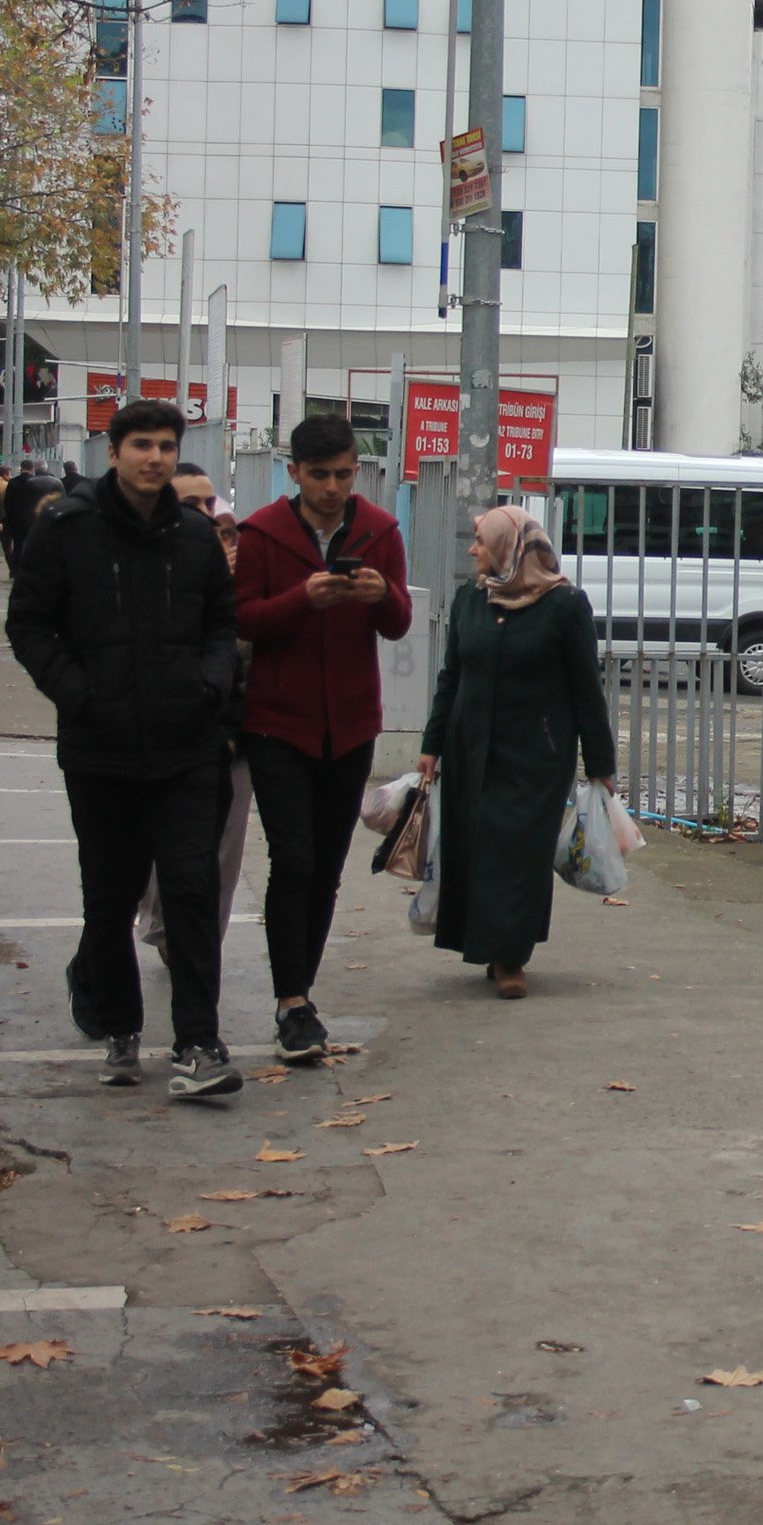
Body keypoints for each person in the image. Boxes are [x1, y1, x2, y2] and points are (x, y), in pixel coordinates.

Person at [6, 398, 244, 1100]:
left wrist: (207, 685)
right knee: (107, 899)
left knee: (192, 894)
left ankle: (199, 1044)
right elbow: (30, 625)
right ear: (114, 452)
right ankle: (119, 1028)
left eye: (167, 446)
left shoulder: (196, 539)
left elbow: (222, 626)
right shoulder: (67, 530)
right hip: (100, 750)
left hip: (186, 748)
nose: (156, 458)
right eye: (142, 445)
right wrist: (79, 695)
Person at [233, 417, 412, 1061]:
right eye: (320, 476)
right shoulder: (261, 533)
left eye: (344, 474)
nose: (333, 488)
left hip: (352, 725)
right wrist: (301, 599)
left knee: (327, 869)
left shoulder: (380, 530)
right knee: (294, 860)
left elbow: (397, 624)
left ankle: (300, 990)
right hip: (278, 723)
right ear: (295, 473)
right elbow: (243, 618)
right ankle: (292, 1001)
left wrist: (379, 593)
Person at [417, 505, 615, 999]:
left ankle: (511, 957)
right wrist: (431, 745)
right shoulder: (471, 599)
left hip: (536, 753)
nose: (473, 549)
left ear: (510, 547)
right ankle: (485, 944)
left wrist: (601, 762)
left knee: (517, 851)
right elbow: (452, 676)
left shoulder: (565, 605)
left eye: (481, 541)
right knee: (477, 845)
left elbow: (586, 688)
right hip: (471, 746)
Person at [139, 466, 255, 965]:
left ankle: (200, 945)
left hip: (231, 736)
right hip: (160, 737)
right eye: (192, 505)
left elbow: (254, 650)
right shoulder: (146, 564)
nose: (206, 518)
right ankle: (165, 924)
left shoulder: (240, 574)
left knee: (224, 853)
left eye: (212, 507)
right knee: (158, 849)